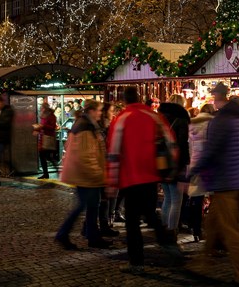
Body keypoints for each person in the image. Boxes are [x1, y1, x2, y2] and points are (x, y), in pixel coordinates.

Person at [106, 86, 179, 274]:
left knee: (132, 223)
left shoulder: (121, 119)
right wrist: (170, 169)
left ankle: (136, 262)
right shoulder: (153, 116)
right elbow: (171, 143)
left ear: (124, 100)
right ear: (139, 97)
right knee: (150, 215)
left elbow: (113, 152)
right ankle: (169, 244)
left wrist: (112, 181)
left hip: (130, 178)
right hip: (151, 175)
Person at [189, 96, 239, 287]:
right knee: (213, 224)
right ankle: (202, 262)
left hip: (225, 182)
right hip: (236, 182)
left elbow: (210, 152)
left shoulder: (221, 124)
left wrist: (193, 171)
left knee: (230, 231)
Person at [55, 100, 112, 250]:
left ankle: (93, 237)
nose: (101, 113)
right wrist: (98, 174)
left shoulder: (86, 124)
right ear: (92, 111)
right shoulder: (86, 128)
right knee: (83, 206)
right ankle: (63, 234)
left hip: (84, 174)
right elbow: (87, 156)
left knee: (92, 206)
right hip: (86, 176)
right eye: (99, 110)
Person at [157, 94, 191, 248]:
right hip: (176, 164)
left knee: (168, 199)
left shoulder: (161, 119)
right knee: (176, 200)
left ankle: (164, 229)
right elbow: (183, 145)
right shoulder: (181, 120)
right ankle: (172, 232)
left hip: (162, 163)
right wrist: (186, 164)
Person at [187, 103, 215, 242]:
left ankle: (196, 229)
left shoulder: (191, 126)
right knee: (214, 200)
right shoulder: (212, 126)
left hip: (195, 166)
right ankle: (211, 230)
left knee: (196, 200)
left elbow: (189, 147)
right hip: (210, 167)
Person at [98, 102, 119, 237]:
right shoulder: (103, 128)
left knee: (104, 198)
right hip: (103, 165)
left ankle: (101, 224)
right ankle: (102, 225)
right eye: (111, 111)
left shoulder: (106, 126)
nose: (113, 113)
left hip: (105, 164)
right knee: (103, 198)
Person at [35, 103, 57, 180]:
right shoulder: (43, 116)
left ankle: (55, 169)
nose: (41, 109)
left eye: (42, 108)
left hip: (48, 138)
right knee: (42, 156)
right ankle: (45, 173)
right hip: (43, 138)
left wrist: (42, 126)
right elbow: (42, 125)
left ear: (45, 108)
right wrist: (37, 129)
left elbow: (53, 127)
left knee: (46, 156)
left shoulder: (51, 116)